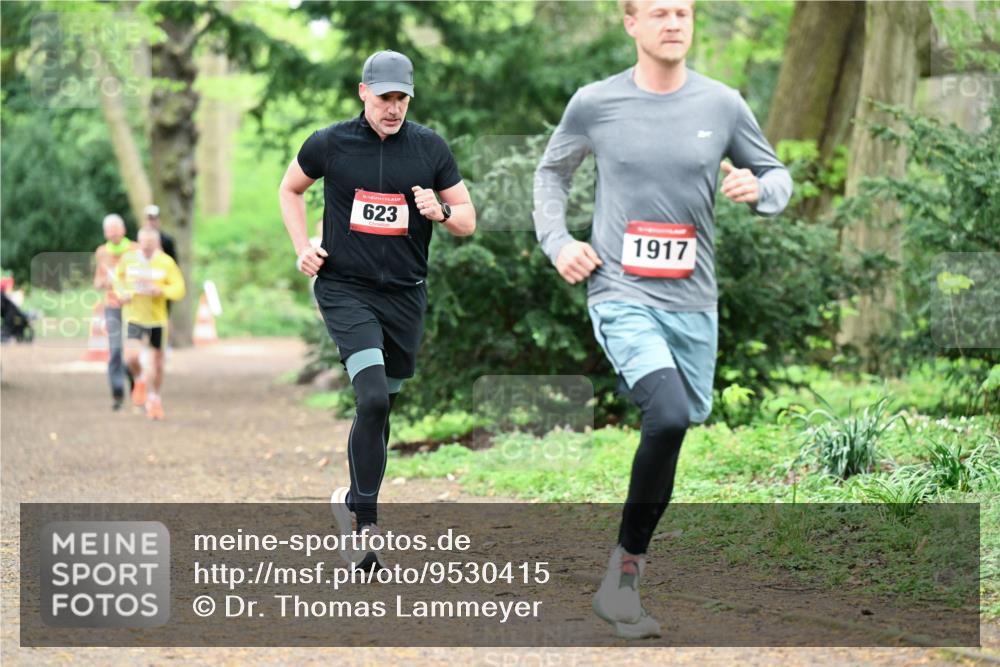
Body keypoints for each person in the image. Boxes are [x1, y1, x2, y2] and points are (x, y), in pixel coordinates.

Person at [534, 0, 792, 639]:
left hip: (694, 304)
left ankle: (625, 570)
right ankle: (623, 580)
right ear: (632, 24)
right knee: (668, 413)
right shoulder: (596, 103)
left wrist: (761, 191)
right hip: (620, 293)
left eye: (683, 11)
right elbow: (551, 174)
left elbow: (777, 175)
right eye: (659, 12)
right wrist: (558, 242)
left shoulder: (722, 104)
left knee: (678, 425)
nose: (673, 22)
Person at [278, 50, 475, 571]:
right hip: (345, 288)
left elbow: (469, 219)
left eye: (401, 98)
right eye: (384, 96)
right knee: (370, 397)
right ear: (363, 91)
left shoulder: (429, 147)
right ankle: (365, 523)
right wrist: (303, 246)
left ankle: (351, 503)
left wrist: (443, 211)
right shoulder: (329, 143)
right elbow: (290, 189)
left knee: (381, 405)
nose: (393, 108)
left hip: (405, 294)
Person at [115, 227, 186, 420]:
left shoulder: (165, 262)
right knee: (131, 357)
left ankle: (155, 399)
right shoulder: (129, 259)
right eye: (143, 241)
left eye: (150, 242)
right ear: (138, 241)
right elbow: (118, 280)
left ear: (156, 243)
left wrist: (161, 290)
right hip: (134, 316)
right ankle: (139, 379)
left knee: (158, 363)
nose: (146, 245)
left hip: (157, 318)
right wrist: (122, 294)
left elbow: (179, 288)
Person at [93, 214, 137, 410]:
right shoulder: (102, 252)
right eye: (109, 231)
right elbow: (97, 281)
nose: (113, 234)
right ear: (105, 233)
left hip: (134, 305)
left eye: (116, 230)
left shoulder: (135, 249)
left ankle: (136, 381)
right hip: (112, 304)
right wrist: (103, 282)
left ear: (124, 230)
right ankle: (118, 392)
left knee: (134, 353)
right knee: (116, 349)